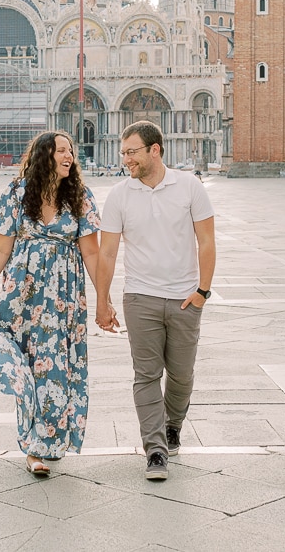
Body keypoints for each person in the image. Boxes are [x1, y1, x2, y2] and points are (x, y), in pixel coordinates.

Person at [0, 131, 101, 477]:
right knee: (25, 369)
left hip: (63, 299)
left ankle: (45, 446)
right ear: (44, 155)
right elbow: (0, 249)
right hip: (21, 296)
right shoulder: (17, 193)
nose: (69, 156)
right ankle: (32, 443)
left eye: (71, 151)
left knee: (55, 368)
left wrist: (106, 300)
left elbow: (92, 253)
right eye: (61, 151)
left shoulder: (81, 197)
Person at [95, 120, 215, 481]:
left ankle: (173, 424)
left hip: (184, 298)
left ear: (155, 150)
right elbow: (107, 254)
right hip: (140, 297)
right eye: (123, 152)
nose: (125, 158)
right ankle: (156, 450)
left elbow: (206, 241)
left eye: (132, 152)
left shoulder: (190, 187)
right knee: (146, 375)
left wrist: (202, 292)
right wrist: (103, 301)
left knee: (181, 375)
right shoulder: (119, 195)